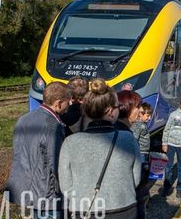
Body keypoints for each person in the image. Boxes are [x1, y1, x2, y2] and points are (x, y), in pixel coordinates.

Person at [59, 78, 141, 219]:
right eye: (117, 107)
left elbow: (66, 187)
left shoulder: (70, 142)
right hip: (123, 209)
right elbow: (136, 179)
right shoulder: (128, 139)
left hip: (85, 210)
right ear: (110, 111)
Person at [6, 82, 72, 219]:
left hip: (27, 186)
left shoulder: (24, 118)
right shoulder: (53, 126)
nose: (70, 104)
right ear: (58, 103)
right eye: (68, 101)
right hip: (46, 193)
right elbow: (55, 163)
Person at [131, 102, 152, 219]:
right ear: (140, 114)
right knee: (142, 175)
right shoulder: (139, 125)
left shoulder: (141, 124)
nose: (149, 118)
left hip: (143, 152)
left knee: (143, 175)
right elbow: (134, 139)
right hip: (141, 153)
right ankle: (142, 197)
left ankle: (144, 195)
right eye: (147, 116)